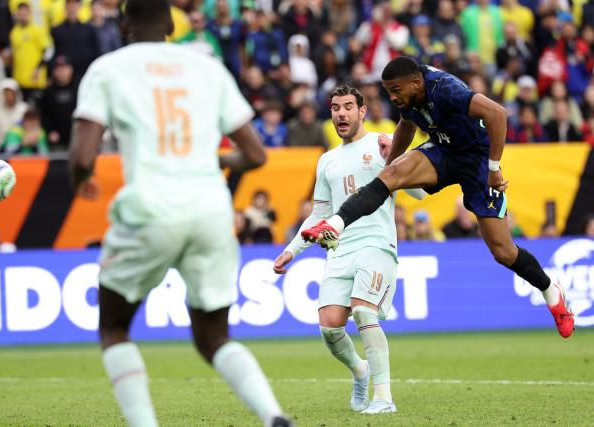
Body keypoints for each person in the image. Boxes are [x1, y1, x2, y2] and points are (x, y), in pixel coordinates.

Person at [68, 1, 291, 426]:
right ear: (173, 24)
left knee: (114, 327)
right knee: (213, 336)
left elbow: (82, 155)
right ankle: (272, 415)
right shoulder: (207, 68)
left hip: (150, 210)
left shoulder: (108, 68)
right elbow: (256, 153)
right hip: (210, 211)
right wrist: (214, 163)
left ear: (124, 23)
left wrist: (81, 181)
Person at [301, 57, 574, 339]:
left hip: (477, 160)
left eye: (395, 90)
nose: (392, 97)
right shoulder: (408, 96)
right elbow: (406, 127)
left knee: (503, 251)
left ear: (416, 83)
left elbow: (497, 114)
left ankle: (551, 291)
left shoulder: (445, 89)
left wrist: (494, 167)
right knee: (389, 176)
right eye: (388, 91)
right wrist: (389, 165)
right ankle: (335, 224)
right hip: (443, 151)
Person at [274, 85, 426, 415]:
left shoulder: (383, 142)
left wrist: (395, 158)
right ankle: (360, 370)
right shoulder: (326, 160)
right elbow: (319, 215)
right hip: (340, 250)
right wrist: (292, 250)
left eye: (347, 107)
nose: (340, 113)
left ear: (362, 112)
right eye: (334, 108)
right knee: (329, 327)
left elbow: (419, 194)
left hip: (376, 243)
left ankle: (384, 398)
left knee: (363, 311)